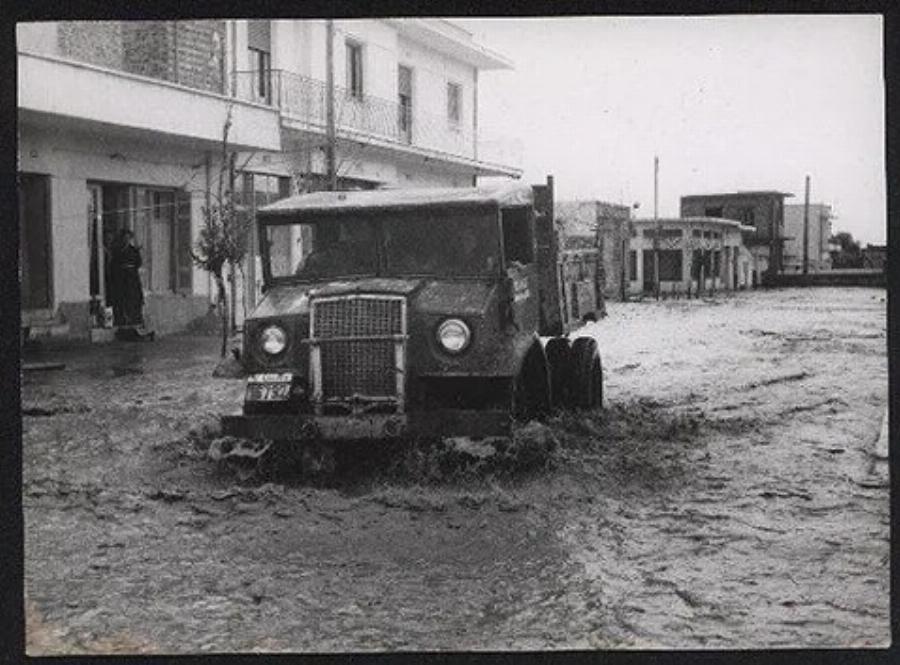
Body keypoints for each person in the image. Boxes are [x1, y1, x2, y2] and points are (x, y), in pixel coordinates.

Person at [110, 229, 146, 332]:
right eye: (124, 238)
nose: (126, 240)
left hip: (132, 278)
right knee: (122, 299)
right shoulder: (118, 251)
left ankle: (135, 322)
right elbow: (114, 264)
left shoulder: (133, 250)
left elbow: (138, 263)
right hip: (121, 278)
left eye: (128, 238)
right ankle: (123, 321)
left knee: (133, 299)